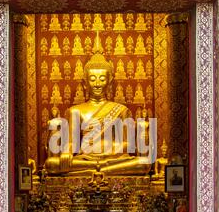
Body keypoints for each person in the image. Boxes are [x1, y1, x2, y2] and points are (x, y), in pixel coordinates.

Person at [45, 33, 153, 176]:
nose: (97, 83)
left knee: (143, 164)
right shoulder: (75, 111)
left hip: (113, 160)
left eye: (102, 79)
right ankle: (99, 169)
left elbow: (127, 145)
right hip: (85, 159)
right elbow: (72, 143)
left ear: (109, 82)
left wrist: (107, 150)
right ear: (85, 83)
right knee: (52, 165)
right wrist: (66, 152)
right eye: (93, 79)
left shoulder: (121, 110)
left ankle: (97, 170)